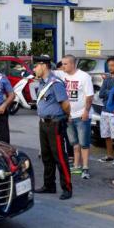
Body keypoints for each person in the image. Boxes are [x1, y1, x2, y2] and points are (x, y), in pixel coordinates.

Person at [33, 56, 72, 200]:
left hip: (55, 123)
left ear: (44, 66)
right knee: (46, 156)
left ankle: (67, 187)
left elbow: (66, 104)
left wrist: (66, 116)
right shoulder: (43, 83)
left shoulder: (55, 83)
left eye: (36, 66)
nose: (35, 69)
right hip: (43, 123)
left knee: (60, 157)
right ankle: (49, 185)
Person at [53, 55, 94, 179]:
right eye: (62, 64)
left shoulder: (84, 77)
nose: (62, 66)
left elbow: (89, 96)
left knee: (84, 144)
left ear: (72, 64)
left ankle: (85, 168)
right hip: (69, 116)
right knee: (74, 143)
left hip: (82, 116)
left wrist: (86, 112)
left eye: (65, 64)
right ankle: (76, 166)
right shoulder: (62, 74)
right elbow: (49, 71)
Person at [97, 57, 114, 164]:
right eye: (109, 65)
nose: (110, 68)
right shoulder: (106, 78)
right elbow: (101, 94)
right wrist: (110, 92)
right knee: (106, 135)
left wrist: (109, 92)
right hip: (105, 110)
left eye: (112, 65)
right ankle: (110, 155)